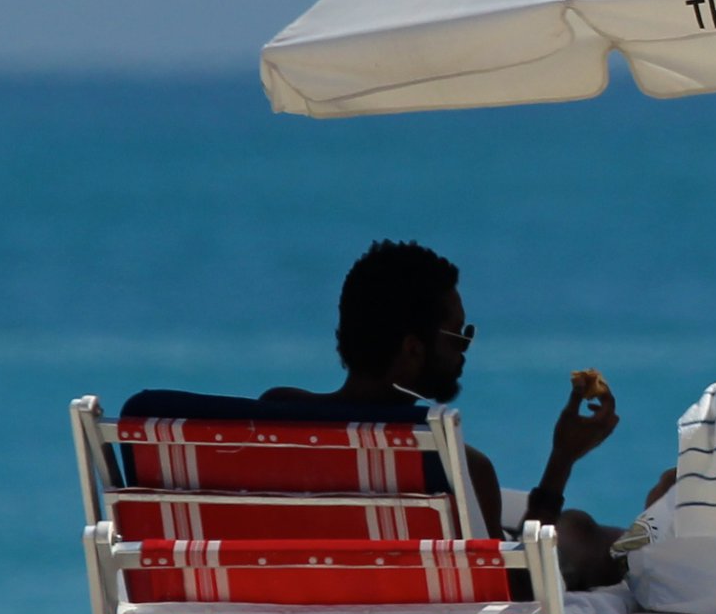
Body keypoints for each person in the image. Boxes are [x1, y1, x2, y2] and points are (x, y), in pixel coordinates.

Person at [263, 239, 630, 593]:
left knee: (574, 530)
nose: (464, 352)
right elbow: (517, 595)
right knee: (581, 533)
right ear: (412, 349)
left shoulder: (279, 419)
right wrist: (562, 459)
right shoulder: (460, 467)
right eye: (458, 337)